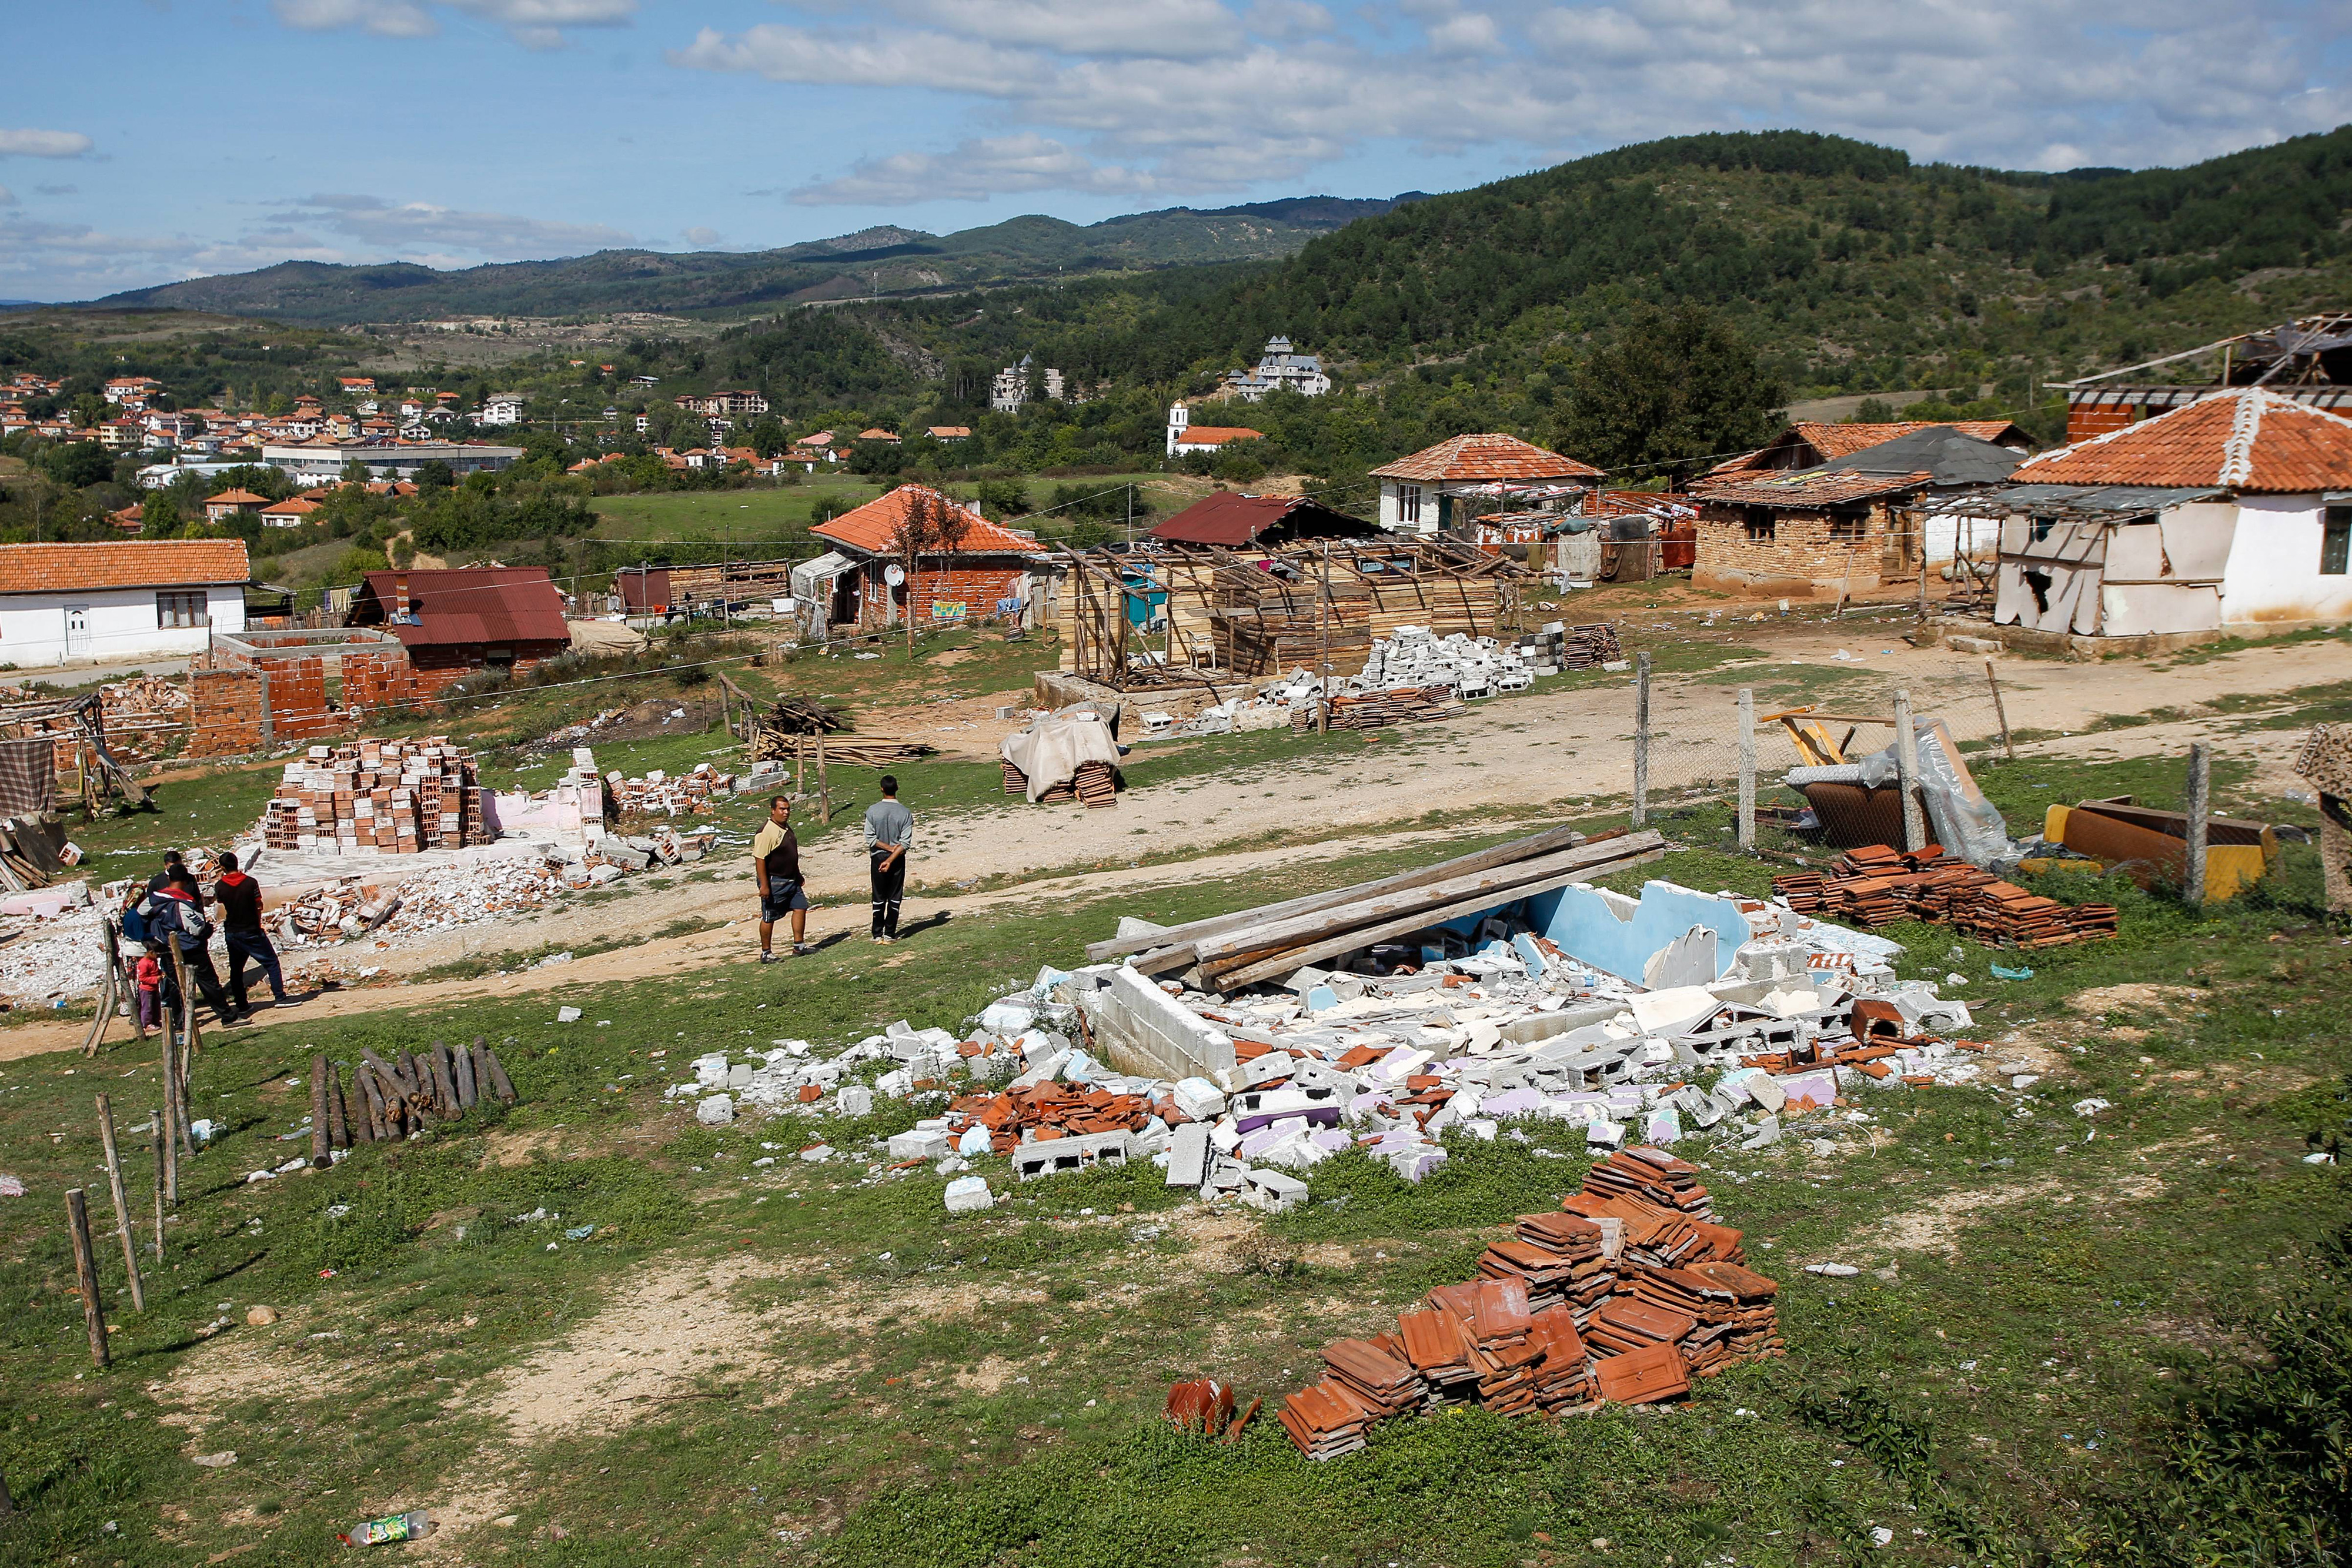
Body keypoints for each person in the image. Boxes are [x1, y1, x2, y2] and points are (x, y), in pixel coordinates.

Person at [145, 880, 240, 1025]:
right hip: (191, 948)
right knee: (208, 982)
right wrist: (207, 929)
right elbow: (197, 928)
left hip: (167, 949)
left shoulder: (154, 902)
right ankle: (227, 1016)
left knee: (175, 986)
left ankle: (180, 1021)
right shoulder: (181, 905)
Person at [211, 851, 290, 1013]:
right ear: (237, 863)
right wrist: (259, 923)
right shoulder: (250, 883)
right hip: (251, 929)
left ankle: (241, 1004)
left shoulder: (220, 886)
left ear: (223, 867)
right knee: (271, 962)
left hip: (233, 931)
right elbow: (258, 905)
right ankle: (280, 997)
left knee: (236, 969)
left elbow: (222, 903)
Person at [749, 795, 809, 963]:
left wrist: (797, 874)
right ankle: (766, 953)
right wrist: (765, 886)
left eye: (788, 809)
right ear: (773, 810)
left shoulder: (785, 827)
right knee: (770, 916)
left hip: (791, 879)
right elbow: (760, 858)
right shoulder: (766, 831)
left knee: (801, 907)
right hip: (775, 881)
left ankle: (799, 946)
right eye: (782, 809)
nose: (786, 812)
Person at [864, 774, 913, 944]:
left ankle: (877, 933)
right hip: (897, 859)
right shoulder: (905, 813)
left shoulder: (872, 811)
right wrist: (893, 854)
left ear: (882, 789)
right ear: (897, 788)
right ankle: (890, 933)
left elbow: (871, 839)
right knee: (894, 896)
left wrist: (886, 851)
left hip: (878, 857)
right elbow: (905, 844)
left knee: (878, 896)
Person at [132, 950, 163, 1039]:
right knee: (147, 1007)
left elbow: (155, 971)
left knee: (156, 1006)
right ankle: (147, 1024)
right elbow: (143, 978)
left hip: (155, 988)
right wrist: (156, 979)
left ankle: (156, 1021)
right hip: (146, 989)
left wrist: (161, 973)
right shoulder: (144, 963)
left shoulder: (153, 961)